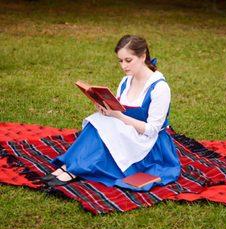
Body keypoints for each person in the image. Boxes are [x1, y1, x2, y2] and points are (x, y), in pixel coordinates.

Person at [41, 35, 181, 191]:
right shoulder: (126, 81)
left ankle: (72, 168)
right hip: (128, 132)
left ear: (143, 57)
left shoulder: (159, 88)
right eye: (120, 61)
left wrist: (118, 116)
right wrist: (106, 109)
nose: (123, 66)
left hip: (149, 144)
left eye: (128, 60)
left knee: (100, 126)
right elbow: (119, 109)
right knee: (98, 121)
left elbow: (152, 130)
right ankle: (70, 166)